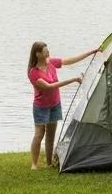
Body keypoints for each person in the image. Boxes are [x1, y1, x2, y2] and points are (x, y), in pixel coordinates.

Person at [27, 41, 97, 170]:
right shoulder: (33, 73)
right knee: (39, 134)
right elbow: (49, 87)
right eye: (45, 51)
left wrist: (91, 52)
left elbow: (69, 60)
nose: (48, 52)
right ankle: (34, 164)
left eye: (47, 50)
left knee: (51, 135)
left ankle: (49, 163)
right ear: (37, 54)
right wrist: (74, 79)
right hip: (41, 107)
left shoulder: (51, 63)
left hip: (55, 104)